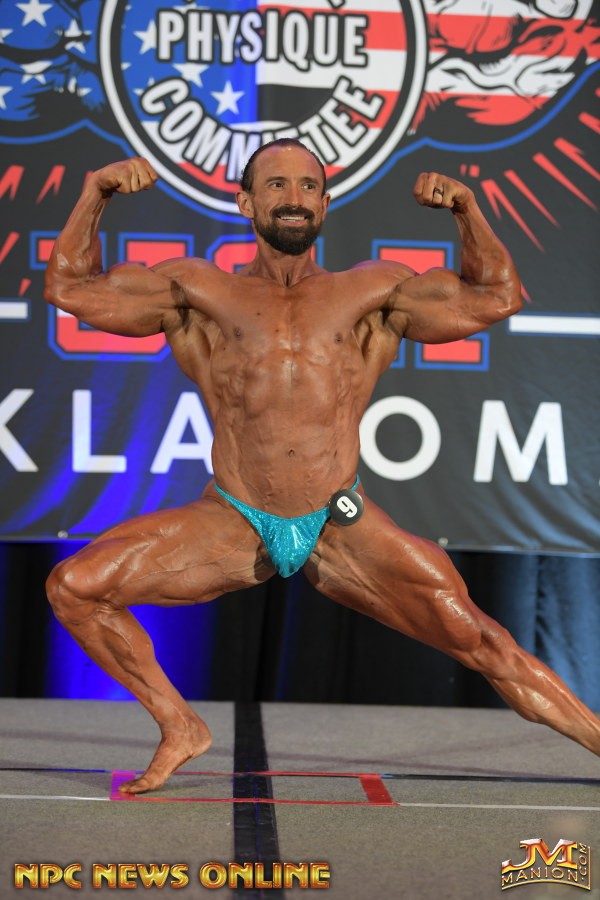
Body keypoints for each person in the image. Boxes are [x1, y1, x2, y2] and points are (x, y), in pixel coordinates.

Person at [44, 139, 600, 794]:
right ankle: (179, 724)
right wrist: (96, 193)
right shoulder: (196, 290)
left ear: (326, 203)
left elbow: (498, 296)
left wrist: (467, 211)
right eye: (277, 185)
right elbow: (69, 288)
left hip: (340, 523)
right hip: (234, 518)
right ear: (246, 202)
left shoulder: (373, 291)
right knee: (75, 587)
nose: (294, 198)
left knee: (483, 641)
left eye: (309, 186)